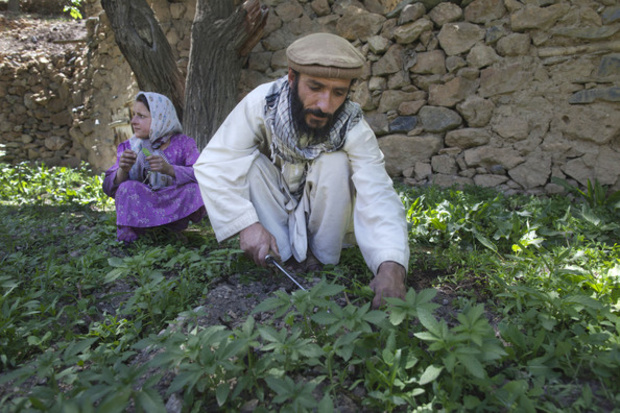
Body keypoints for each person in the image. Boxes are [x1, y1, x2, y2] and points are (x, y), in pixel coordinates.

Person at [194, 33, 409, 308]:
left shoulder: (352, 126)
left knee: (335, 163)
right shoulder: (262, 104)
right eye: (316, 87)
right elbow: (217, 162)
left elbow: (378, 193)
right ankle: (282, 257)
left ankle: (319, 260)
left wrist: (391, 266)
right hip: (275, 205)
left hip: (323, 215)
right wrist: (246, 223)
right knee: (248, 166)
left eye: (338, 93)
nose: (325, 105)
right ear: (292, 78)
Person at [103, 92, 206, 243]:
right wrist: (122, 170)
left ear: (160, 118)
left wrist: (170, 169)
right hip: (144, 197)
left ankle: (171, 230)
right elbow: (107, 187)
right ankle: (135, 236)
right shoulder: (130, 147)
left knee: (195, 188)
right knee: (126, 188)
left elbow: (201, 174)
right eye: (133, 115)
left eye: (141, 116)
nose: (133, 121)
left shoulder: (183, 144)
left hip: (172, 197)